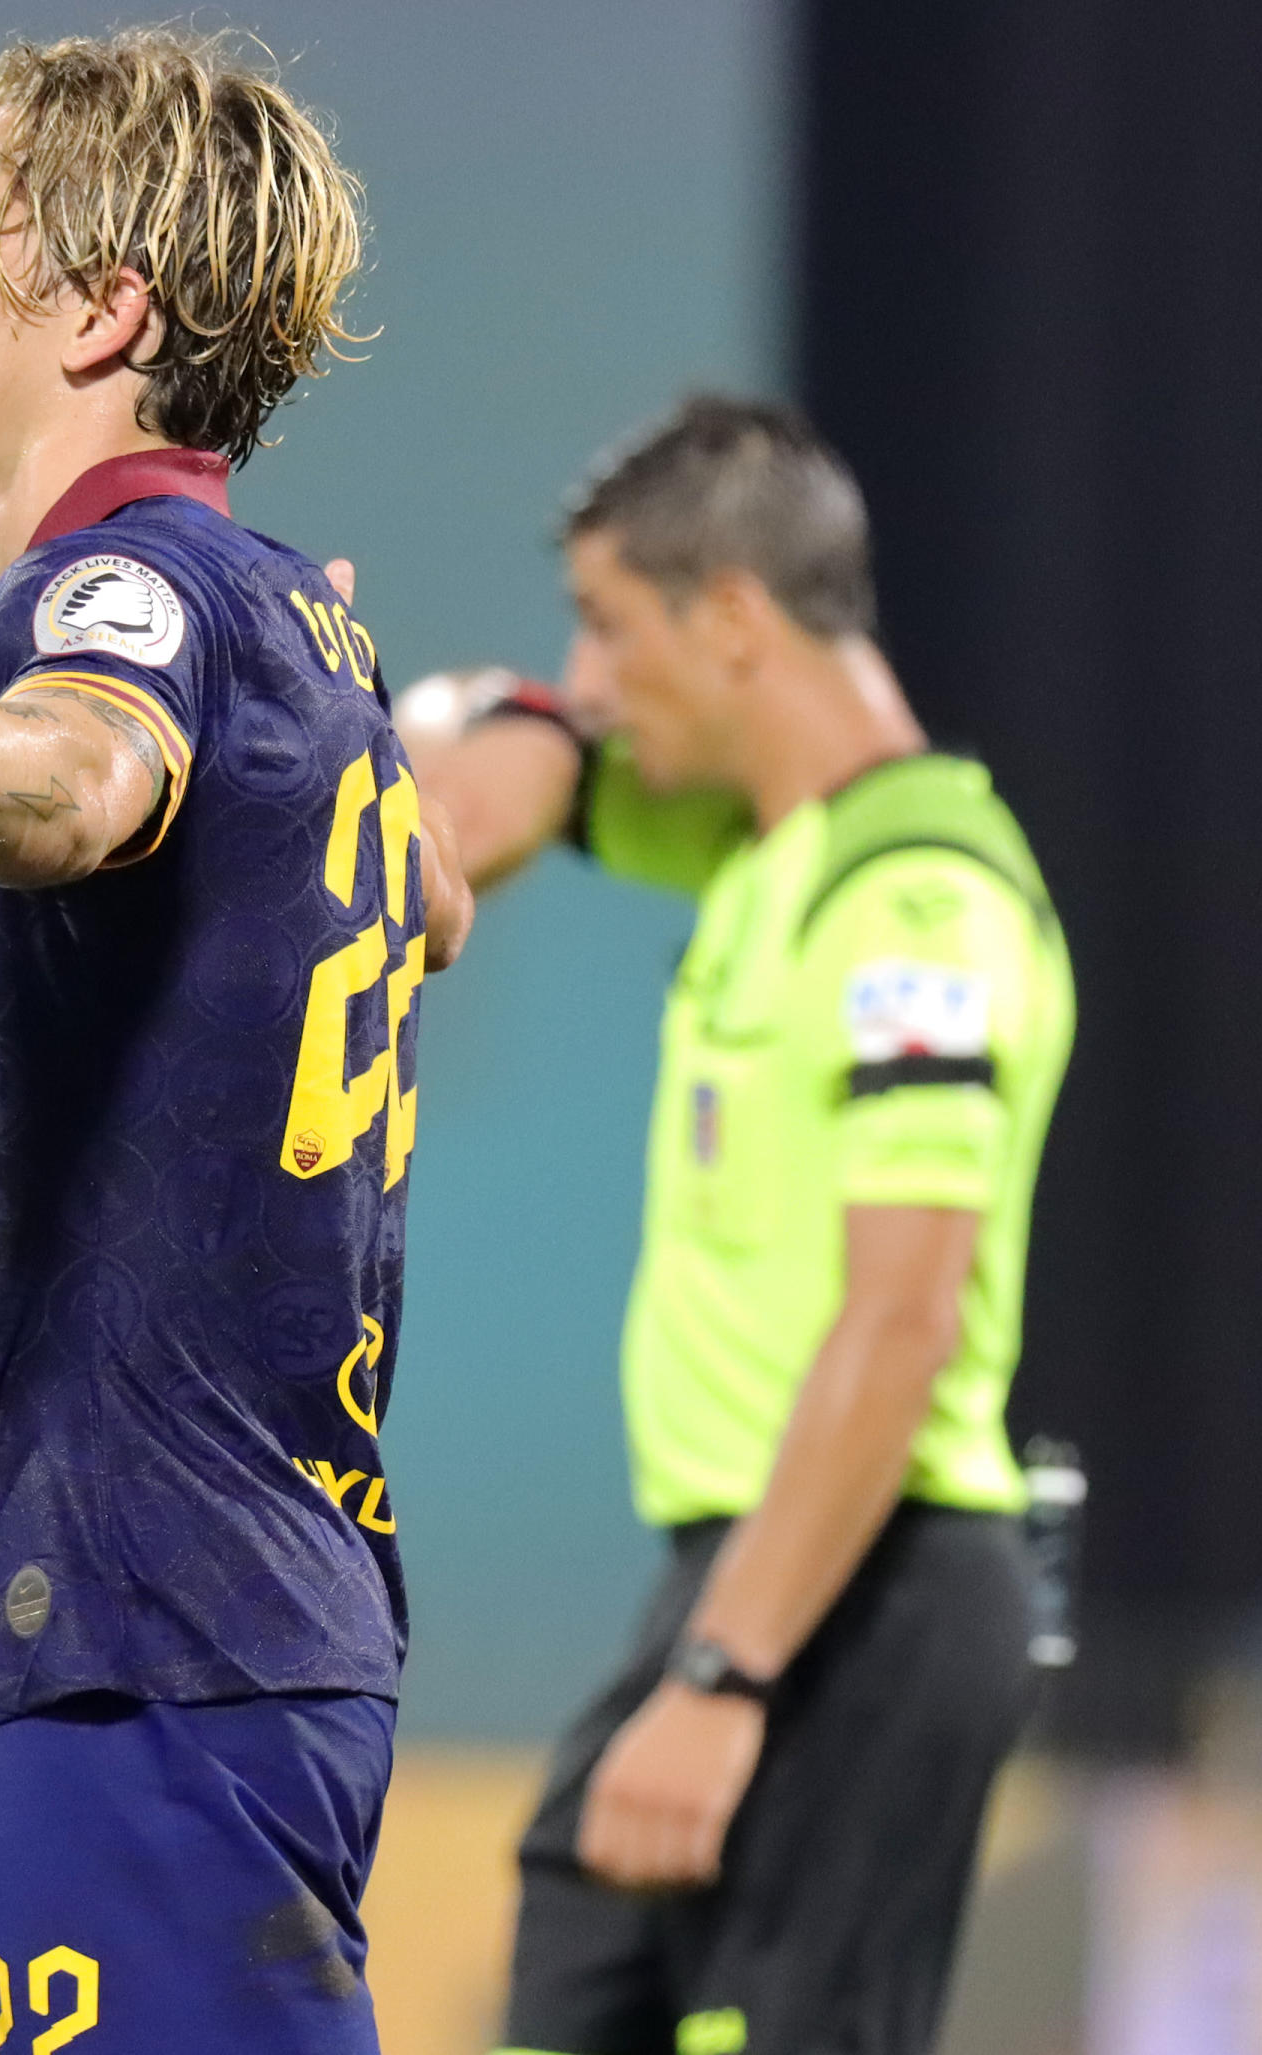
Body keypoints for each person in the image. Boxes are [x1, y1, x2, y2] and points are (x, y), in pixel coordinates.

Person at [0, 29, 470, 2055]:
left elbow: (85, 780)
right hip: (76, 1632)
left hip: (147, 1654)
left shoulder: (130, 592)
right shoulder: (289, 621)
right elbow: (414, 899)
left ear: (106, 312)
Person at [398, 397, 1072, 2055]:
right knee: (571, 1949)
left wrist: (723, 1682)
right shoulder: (775, 848)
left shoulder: (921, 906)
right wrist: (444, 770)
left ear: (736, 621)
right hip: (756, 1579)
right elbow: (530, 770)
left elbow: (901, 1323)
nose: (599, 675)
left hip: (862, 1597)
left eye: (617, 627)